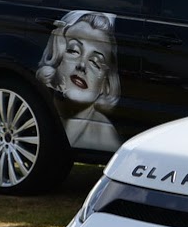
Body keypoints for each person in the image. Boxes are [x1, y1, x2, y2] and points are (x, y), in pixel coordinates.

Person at [35, 10, 122, 151]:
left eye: (95, 62)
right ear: (57, 56)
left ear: (105, 85)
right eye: (74, 51)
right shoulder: (35, 111)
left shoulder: (105, 136)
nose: (82, 65)